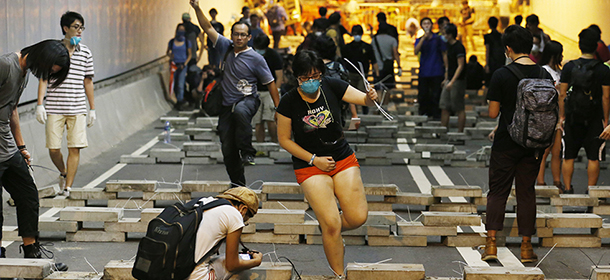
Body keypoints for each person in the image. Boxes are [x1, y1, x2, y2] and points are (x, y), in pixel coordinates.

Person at [276, 50, 377, 278]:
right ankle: (338, 274)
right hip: (310, 164)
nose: (310, 82)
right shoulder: (289, 101)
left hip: (341, 156)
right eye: (304, 78)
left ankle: (331, 231)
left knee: (357, 217)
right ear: (297, 78)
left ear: (321, 74)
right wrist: (314, 160)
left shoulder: (332, 85)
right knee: (331, 224)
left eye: (314, 77)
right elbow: (283, 140)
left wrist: (371, 97)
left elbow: (363, 99)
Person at [483, 25, 554, 264]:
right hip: (533, 143)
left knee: (498, 192)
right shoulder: (544, 75)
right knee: (526, 193)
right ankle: (526, 248)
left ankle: (491, 243)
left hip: (505, 142)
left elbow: (493, 113)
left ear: (508, 49)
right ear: (531, 46)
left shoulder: (501, 74)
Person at [191, 0, 280, 186]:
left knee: (240, 111)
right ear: (231, 35)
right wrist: (197, 8)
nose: (239, 38)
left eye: (243, 35)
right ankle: (238, 183)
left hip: (248, 100)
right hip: (226, 105)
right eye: (236, 34)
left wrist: (278, 108)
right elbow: (207, 27)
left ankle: (248, 150)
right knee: (227, 148)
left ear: (249, 38)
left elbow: (271, 83)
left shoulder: (256, 58)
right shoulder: (225, 46)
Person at [0, 39, 70, 269]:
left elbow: (12, 110)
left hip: (8, 149)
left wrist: (21, 147)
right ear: (42, 58)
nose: (48, 75)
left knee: (28, 196)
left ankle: (32, 254)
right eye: (50, 70)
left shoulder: (24, 73)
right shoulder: (5, 65)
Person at [36, 11, 96, 197]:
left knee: (74, 147)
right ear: (65, 28)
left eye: (81, 28)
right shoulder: (54, 52)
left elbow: (88, 81)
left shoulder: (85, 52)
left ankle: (68, 187)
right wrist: (40, 104)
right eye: (76, 27)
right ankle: (63, 172)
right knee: (53, 149)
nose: (79, 31)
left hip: (77, 108)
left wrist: (92, 108)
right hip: (55, 107)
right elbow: (44, 79)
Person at [559, 28, 610, 194]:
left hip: (572, 117)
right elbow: (606, 97)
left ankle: (567, 188)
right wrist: (606, 119)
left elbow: (562, 93)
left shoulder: (569, 67)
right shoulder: (603, 69)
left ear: (579, 45)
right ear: (596, 46)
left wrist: (562, 116)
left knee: (568, 155)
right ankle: (591, 190)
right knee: (593, 157)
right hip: (595, 117)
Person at [188, 187, 262, 279]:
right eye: (245, 220)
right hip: (195, 276)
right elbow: (232, 265)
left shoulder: (204, 202)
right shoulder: (234, 214)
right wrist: (256, 261)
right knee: (241, 260)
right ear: (243, 209)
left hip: (172, 270)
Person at [536, 40, 564, 190]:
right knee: (545, 150)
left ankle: (556, 180)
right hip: (547, 114)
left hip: (559, 114)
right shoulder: (544, 70)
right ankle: (540, 181)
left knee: (557, 151)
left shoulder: (559, 71)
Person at [313, 35, 358, 127]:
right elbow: (347, 90)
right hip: (336, 111)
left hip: (314, 112)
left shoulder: (311, 68)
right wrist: (354, 114)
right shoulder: (338, 67)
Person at [342, 24, 379, 115]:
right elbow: (343, 61)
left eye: (358, 33)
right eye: (355, 33)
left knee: (363, 93)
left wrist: (377, 74)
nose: (357, 35)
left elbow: (373, 60)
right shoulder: (348, 47)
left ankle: (364, 112)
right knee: (350, 95)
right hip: (350, 74)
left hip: (362, 75)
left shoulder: (367, 47)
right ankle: (352, 113)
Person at [252, 34, 283, 144]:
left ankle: (274, 142)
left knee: (271, 119)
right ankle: (260, 146)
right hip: (256, 91)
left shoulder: (274, 55)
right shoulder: (251, 54)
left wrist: (276, 92)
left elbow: (279, 76)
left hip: (270, 91)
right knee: (258, 121)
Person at [414, 17, 447, 119]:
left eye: (428, 23)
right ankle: (424, 113)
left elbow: (444, 53)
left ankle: (436, 114)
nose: (427, 26)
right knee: (423, 94)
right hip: (424, 71)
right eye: (424, 24)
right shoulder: (419, 40)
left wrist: (446, 69)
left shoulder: (438, 39)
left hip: (436, 71)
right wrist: (423, 38)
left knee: (436, 94)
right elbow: (416, 51)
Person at [440, 23, 466, 132]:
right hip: (450, 79)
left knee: (458, 106)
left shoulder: (459, 47)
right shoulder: (448, 47)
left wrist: (453, 81)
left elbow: (461, 65)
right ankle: (443, 129)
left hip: (457, 80)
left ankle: (460, 132)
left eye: (446, 34)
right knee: (444, 105)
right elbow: (447, 65)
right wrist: (446, 79)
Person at [166, 23, 192, 109]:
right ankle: (176, 98)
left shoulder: (187, 42)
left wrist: (184, 64)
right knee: (175, 83)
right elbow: (168, 52)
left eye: (182, 30)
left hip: (182, 65)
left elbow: (190, 55)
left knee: (180, 83)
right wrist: (171, 58)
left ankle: (180, 100)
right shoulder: (172, 42)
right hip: (174, 65)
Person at [372, 24, 401, 92]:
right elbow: (395, 53)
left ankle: (379, 102)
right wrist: (399, 66)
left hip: (377, 68)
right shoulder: (392, 40)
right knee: (387, 88)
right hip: (388, 67)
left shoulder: (374, 40)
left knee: (378, 88)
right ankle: (386, 102)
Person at [484, 17, 505, 88]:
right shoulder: (501, 36)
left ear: (489, 24)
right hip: (500, 60)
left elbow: (487, 51)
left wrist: (486, 64)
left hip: (491, 61)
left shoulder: (488, 37)